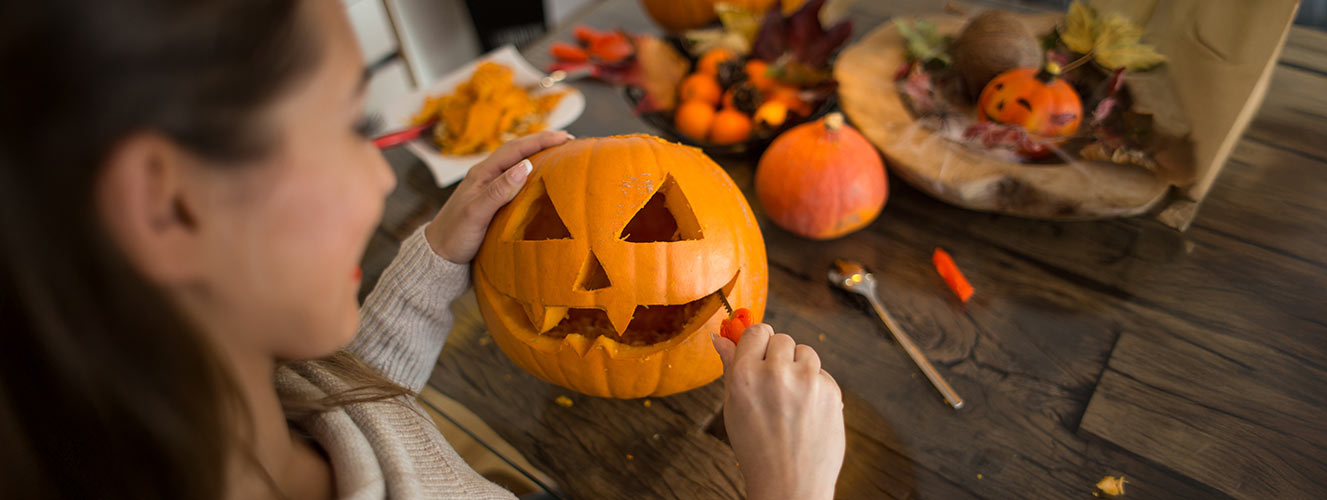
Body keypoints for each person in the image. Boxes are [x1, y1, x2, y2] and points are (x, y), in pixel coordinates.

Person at [0, 0, 846, 499]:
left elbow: (348, 407)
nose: (381, 182)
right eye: (352, 128)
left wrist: (437, 253)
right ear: (167, 205)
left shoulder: (236, 405)